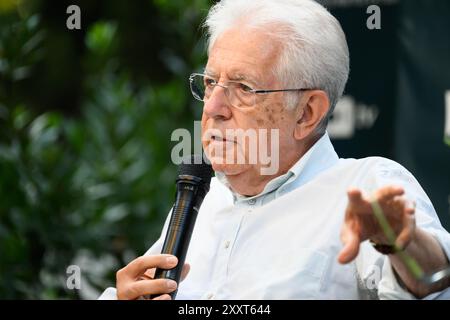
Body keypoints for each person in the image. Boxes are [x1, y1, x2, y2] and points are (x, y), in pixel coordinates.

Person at [99, 0, 450, 299]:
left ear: (307, 112)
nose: (213, 107)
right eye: (210, 82)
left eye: (243, 88)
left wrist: (401, 245)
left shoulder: (363, 185)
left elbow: (434, 283)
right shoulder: (203, 201)